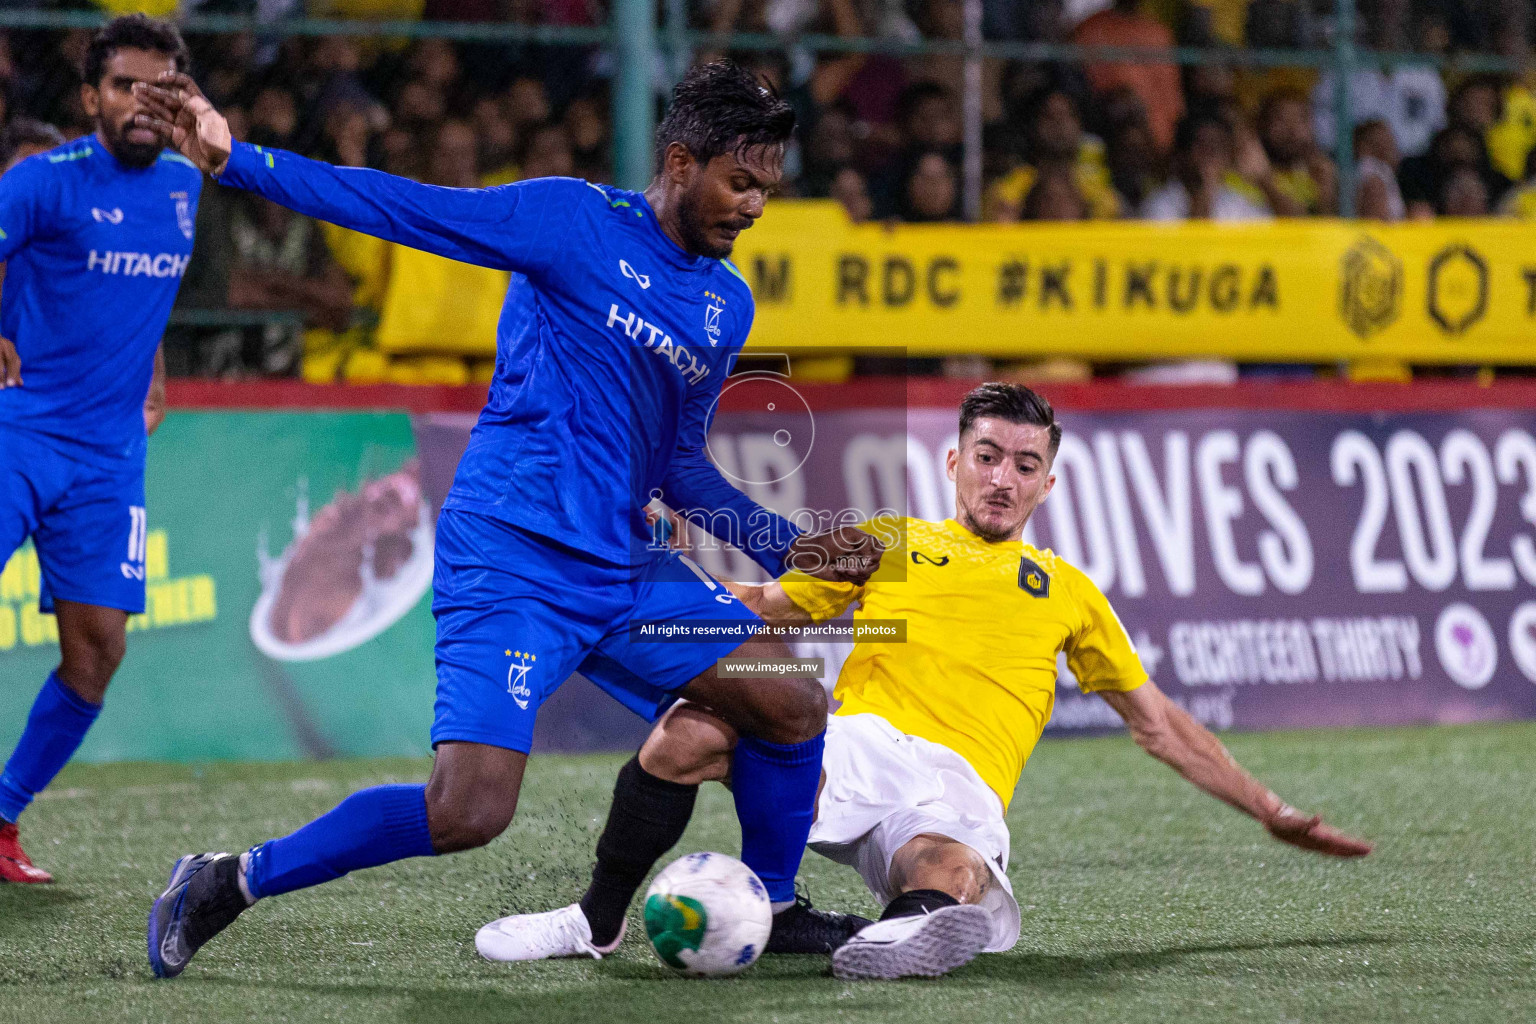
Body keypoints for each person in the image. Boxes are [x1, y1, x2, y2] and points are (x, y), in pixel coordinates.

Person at [132, 60, 884, 978]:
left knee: (792, 700)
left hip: (623, 565)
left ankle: (772, 900)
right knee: (468, 812)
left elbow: (678, 465)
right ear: (681, 163)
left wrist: (791, 544)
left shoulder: (725, 304)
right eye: (741, 183)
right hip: (511, 559)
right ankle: (228, 879)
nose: (756, 205)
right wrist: (236, 160)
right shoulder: (568, 221)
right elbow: (401, 207)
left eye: (767, 188)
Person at [479, 383, 1373, 980]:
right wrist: (668, 565)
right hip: (851, 750)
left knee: (951, 869)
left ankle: (883, 936)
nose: (1003, 477)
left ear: (1048, 484)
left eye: (1025, 465)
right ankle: (592, 922)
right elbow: (764, 611)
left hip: (957, 787)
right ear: (954, 463)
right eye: (987, 455)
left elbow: (1159, 724)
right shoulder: (893, 539)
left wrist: (1269, 808)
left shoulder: (1070, 592)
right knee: (691, 726)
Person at [0, 15, 199, 885]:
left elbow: (138, 290)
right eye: (124, 85)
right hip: (19, 430)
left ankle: (1, 818)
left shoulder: (189, 187)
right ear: (91, 99)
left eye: (161, 86)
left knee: (98, 652)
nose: (142, 103)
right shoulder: (43, 183)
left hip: (109, 457)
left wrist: (152, 370)